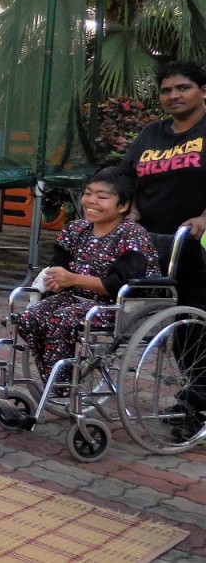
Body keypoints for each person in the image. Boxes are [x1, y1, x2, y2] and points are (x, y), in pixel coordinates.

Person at [121, 59, 206, 433]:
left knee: (196, 325)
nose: (174, 95)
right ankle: (194, 398)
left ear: (203, 91)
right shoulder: (151, 134)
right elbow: (126, 179)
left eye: (183, 87)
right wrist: (131, 210)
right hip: (154, 244)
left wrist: (204, 217)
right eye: (167, 90)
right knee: (174, 326)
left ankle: (198, 405)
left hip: (195, 245)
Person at [16, 167, 159, 384]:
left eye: (102, 197)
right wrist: (56, 281)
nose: (91, 200)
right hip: (77, 298)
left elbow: (120, 285)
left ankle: (62, 384)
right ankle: (58, 378)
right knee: (28, 319)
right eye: (88, 193)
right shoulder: (75, 230)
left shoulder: (132, 236)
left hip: (119, 306)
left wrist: (73, 279)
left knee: (60, 320)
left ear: (123, 206)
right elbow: (59, 266)